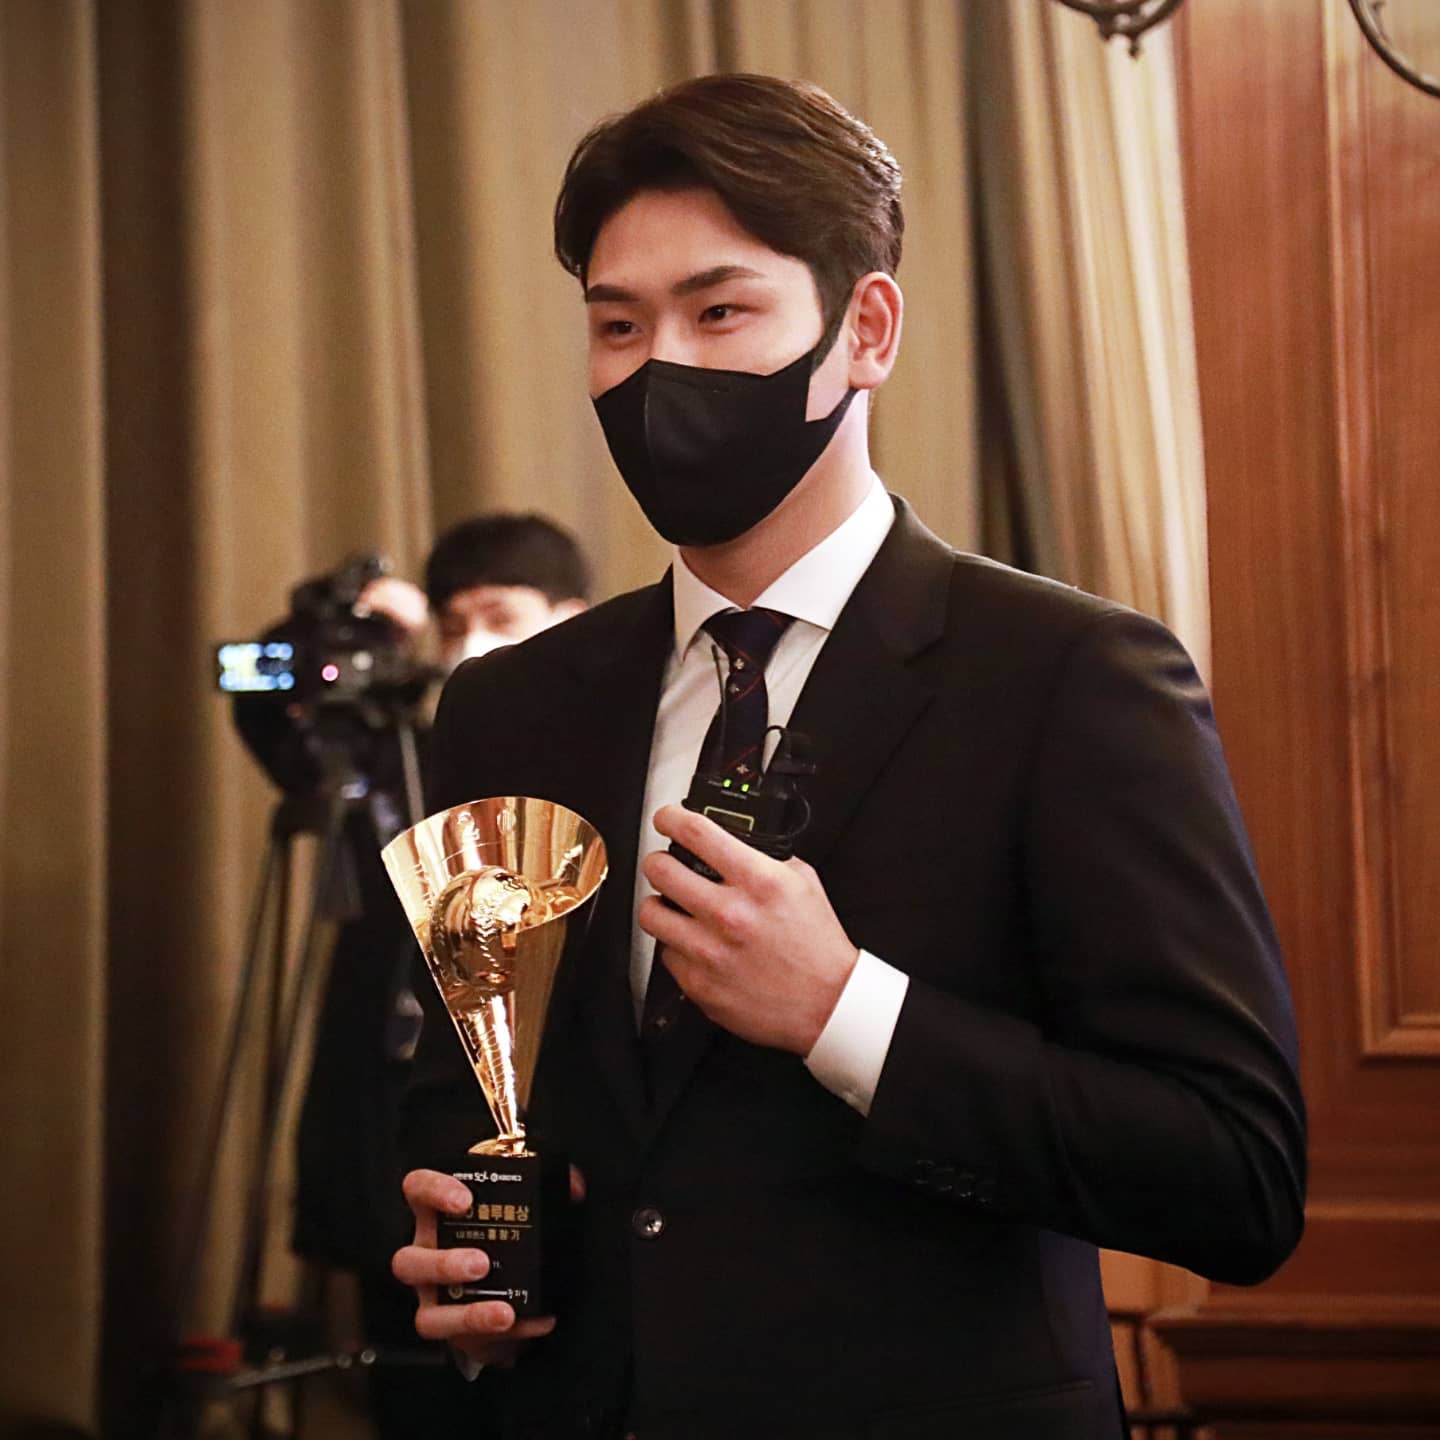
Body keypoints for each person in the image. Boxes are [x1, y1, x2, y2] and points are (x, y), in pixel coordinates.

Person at [393, 75, 1306, 1440]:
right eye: (618, 325)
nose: (659, 370)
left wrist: (845, 1011)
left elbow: (1235, 1174)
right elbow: (463, 1095)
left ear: (864, 329)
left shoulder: (1071, 679)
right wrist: (460, 1245)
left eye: (720, 312)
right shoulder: (507, 707)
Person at [291, 512, 589, 1438]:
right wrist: (342, 624)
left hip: (560, 1142)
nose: (472, 646)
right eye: (454, 626)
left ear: (574, 618)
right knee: (413, 1383)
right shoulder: (404, 756)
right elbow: (279, 714)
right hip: (395, 1118)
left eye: (501, 617)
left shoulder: (609, 755)